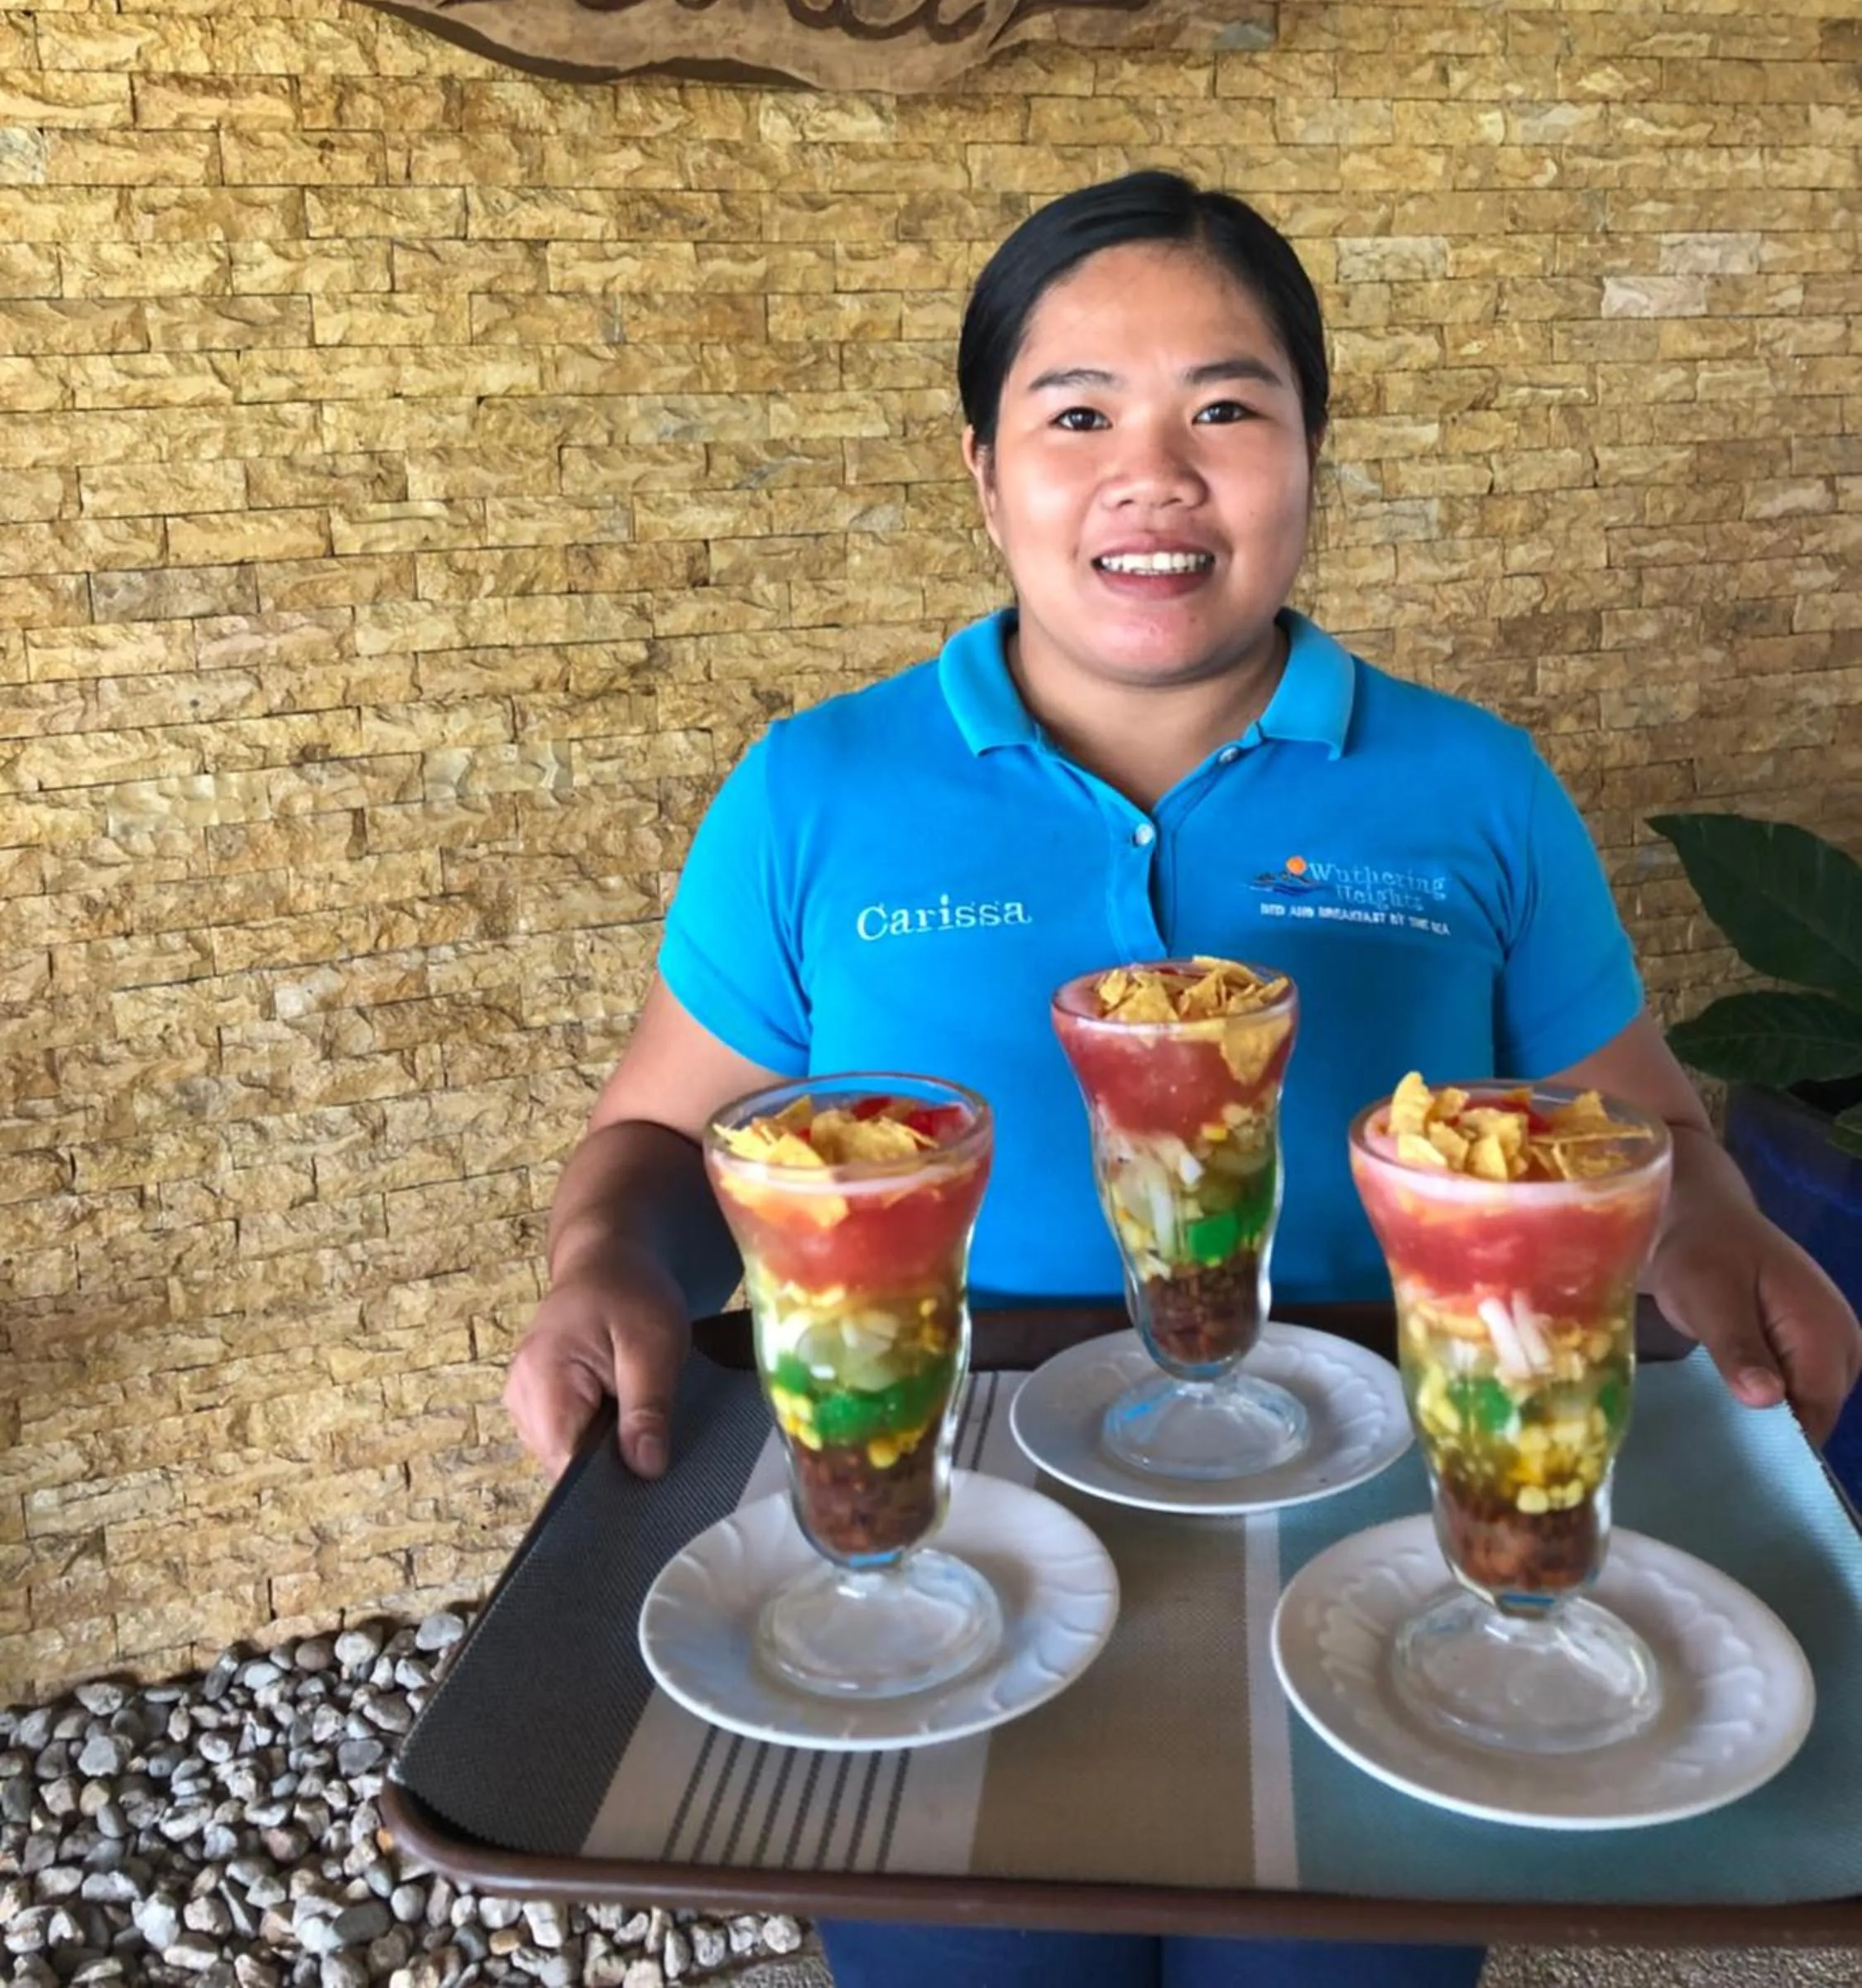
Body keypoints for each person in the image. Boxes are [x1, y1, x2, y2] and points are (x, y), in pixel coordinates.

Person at [504, 171, 1862, 1988]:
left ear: (1313, 453)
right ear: (986, 470)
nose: (1157, 473)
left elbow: (1649, 1138)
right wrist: (603, 1260)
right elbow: (666, 1136)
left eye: (1228, 408)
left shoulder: (1475, 788)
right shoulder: (815, 791)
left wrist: (1721, 1242)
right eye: (1078, 416)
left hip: (1385, 1518)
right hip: (939, 1507)